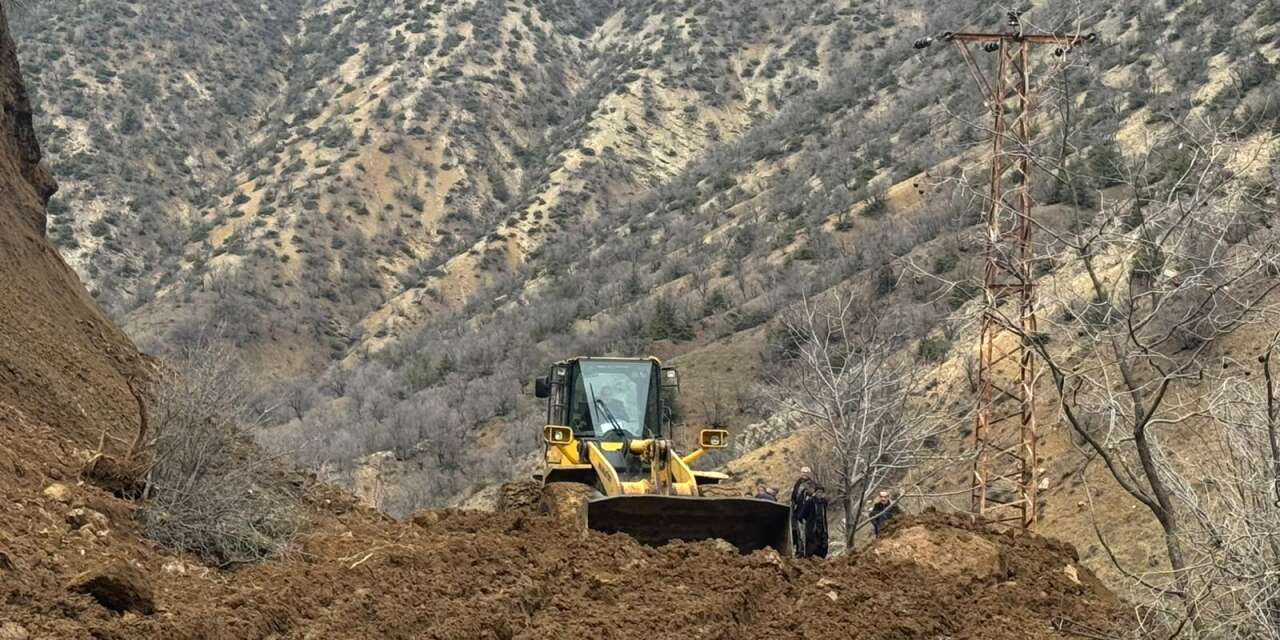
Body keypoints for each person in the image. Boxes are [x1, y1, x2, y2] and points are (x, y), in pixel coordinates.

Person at [789, 466, 828, 559]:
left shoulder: (812, 484)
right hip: (798, 511)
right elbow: (794, 497)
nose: (804, 474)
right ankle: (800, 550)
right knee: (799, 532)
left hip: (809, 512)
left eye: (806, 473)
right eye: (803, 472)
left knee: (808, 533)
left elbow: (814, 496)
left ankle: (807, 552)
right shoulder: (798, 483)